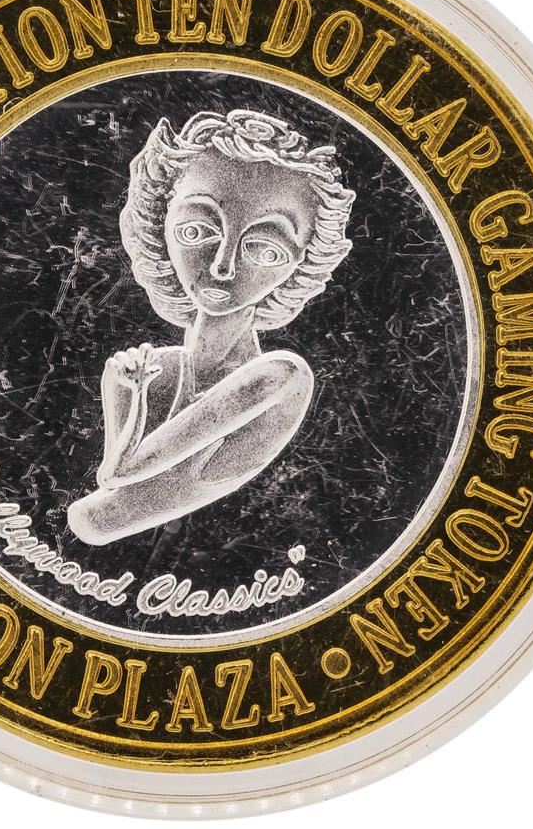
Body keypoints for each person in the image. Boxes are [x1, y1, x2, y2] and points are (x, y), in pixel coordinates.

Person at [67, 109, 355, 545]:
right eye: (196, 231)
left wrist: (134, 395)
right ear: (159, 227)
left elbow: (116, 474)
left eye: (266, 250)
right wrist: (130, 389)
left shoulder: (281, 378)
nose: (223, 266)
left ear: (301, 264)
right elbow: (109, 496)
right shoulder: (154, 368)